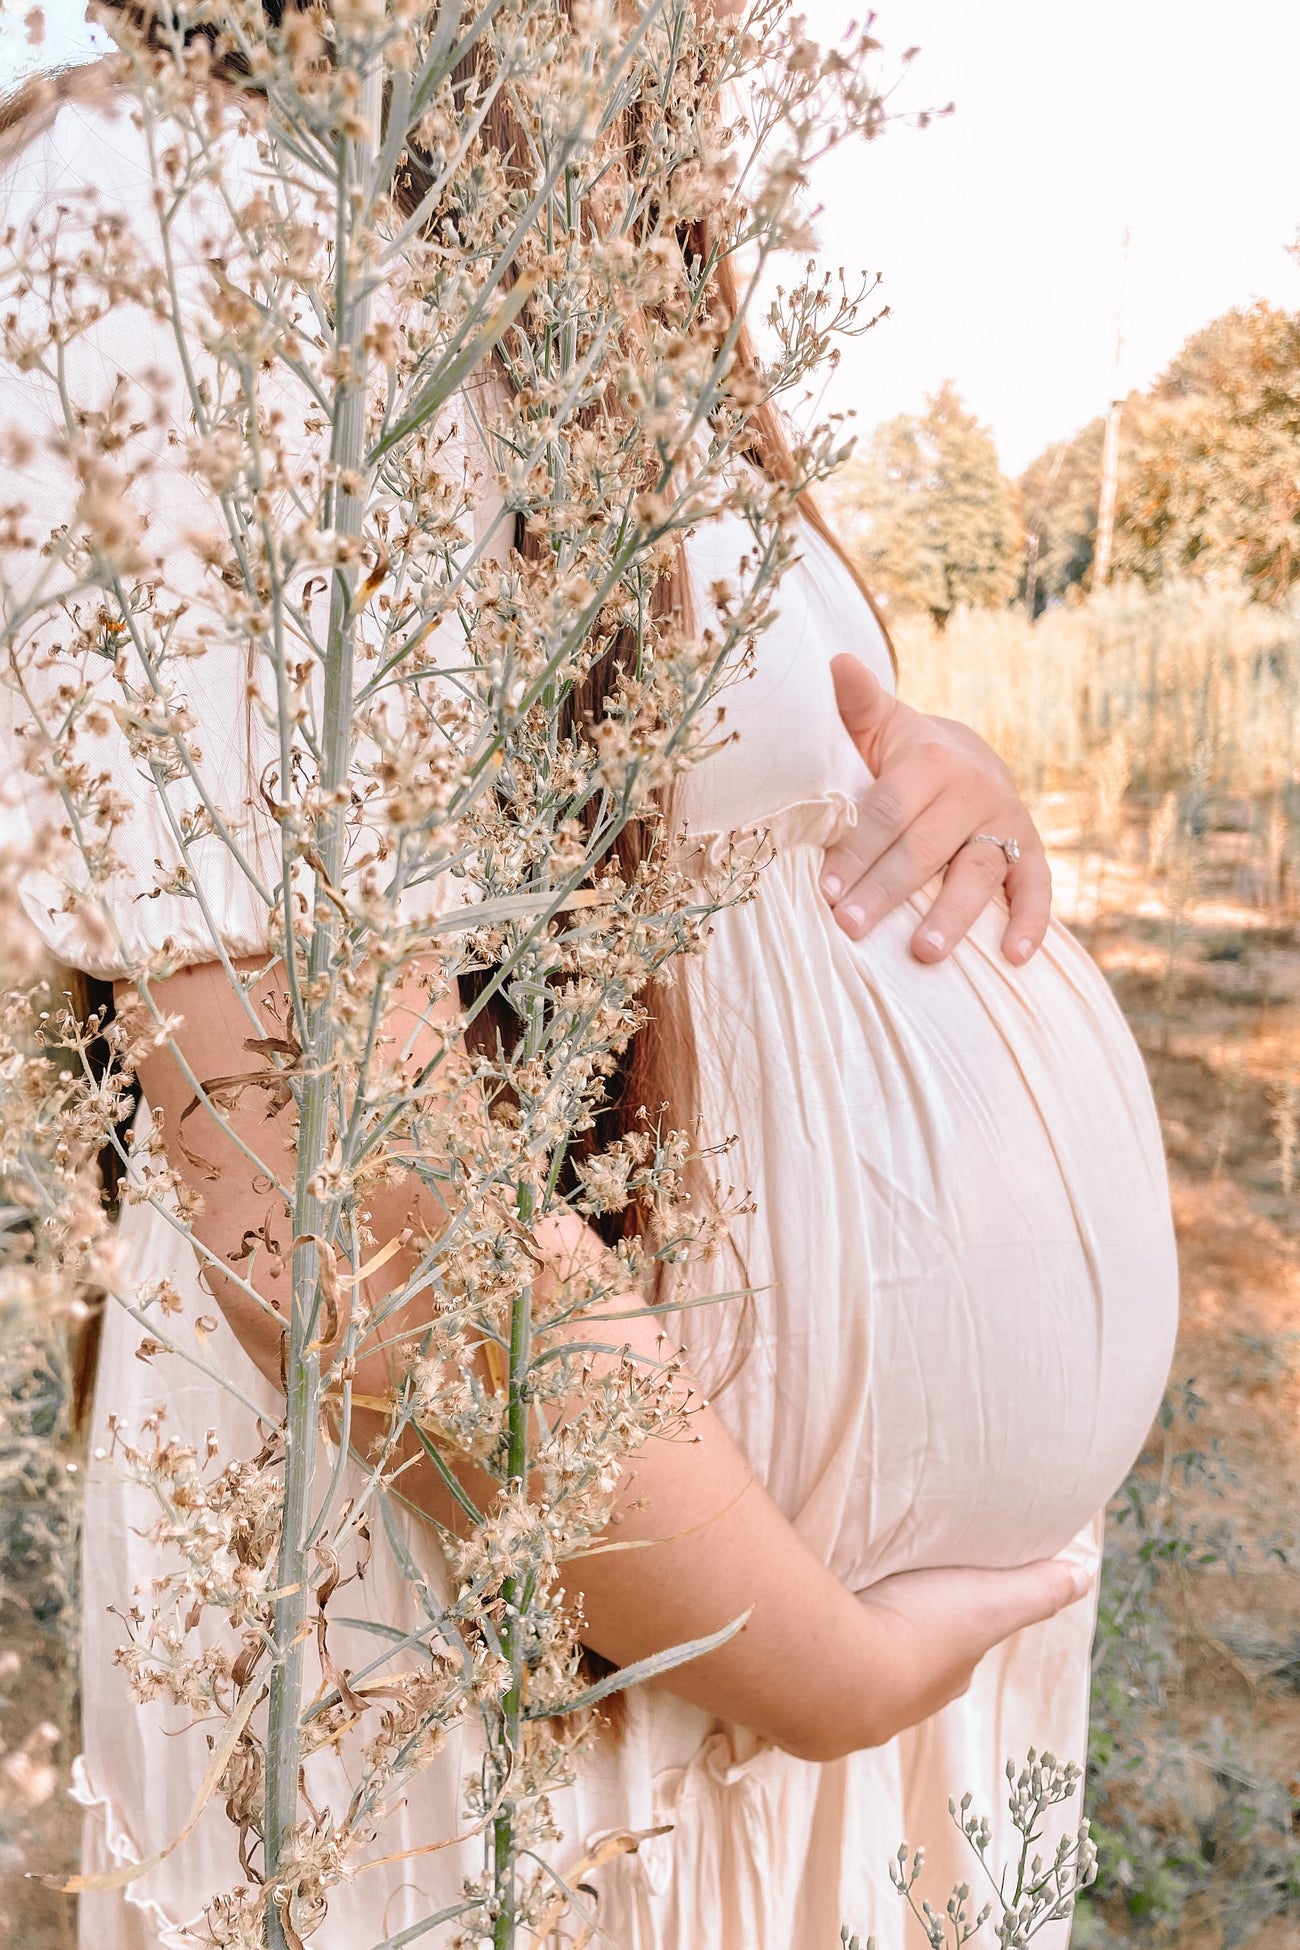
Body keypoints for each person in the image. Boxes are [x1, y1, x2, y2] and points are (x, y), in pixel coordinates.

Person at [0, 18, 1178, 1950]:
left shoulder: (558, 253)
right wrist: (810, 1667)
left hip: (752, 1698)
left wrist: (921, 785)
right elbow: (335, 1179)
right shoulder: (165, 191)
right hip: (547, 1689)